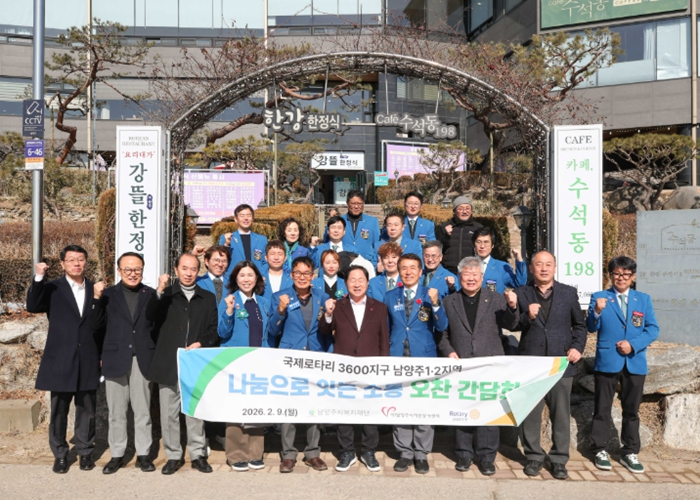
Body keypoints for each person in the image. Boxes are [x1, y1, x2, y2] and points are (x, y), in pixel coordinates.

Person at [438, 257, 518, 475]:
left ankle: (487, 456)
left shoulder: (496, 299)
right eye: (467, 274)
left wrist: (512, 307)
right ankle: (463, 454)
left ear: (482, 277)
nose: (471, 278)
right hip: (461, 365)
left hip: (490, 365)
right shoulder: (449, 302)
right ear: (459, 277)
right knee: (462, 410)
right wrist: (449, 351)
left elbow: (511, 324)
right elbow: (442, 334)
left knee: (489, 411)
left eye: (475, 274)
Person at [26, 245, 100, 474]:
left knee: (87, 410)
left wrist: (102, 356)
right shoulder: (52, 288)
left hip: (88, 357)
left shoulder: (96, 289)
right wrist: (39, 277)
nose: (76, 263)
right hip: (60, 358)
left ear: (86, 262)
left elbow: (101, 324)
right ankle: (60, 454)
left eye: (81, 259)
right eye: (71, 260)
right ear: (62, 264)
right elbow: (32, 305)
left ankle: (85, 452)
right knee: (59, 410)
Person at [514, 251, 586, 480]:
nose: (544, 268)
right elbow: (512, 324)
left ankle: (559, 459)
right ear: (531, 268)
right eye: (539, 264)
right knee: (530, 413)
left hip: (560, 363)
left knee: (561, 414)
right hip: (532, 364)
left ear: (554, 267)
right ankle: (534, 456)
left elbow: (580, 325)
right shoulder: (521, 292)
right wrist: (527, 316)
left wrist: (577, 347)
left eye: (548, 264)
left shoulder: (568, 293)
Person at [145, 253, 219, 475]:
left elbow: (214, 329)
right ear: (176, 270)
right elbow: (150, 317)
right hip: (169, 362)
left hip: (195, 362)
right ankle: (173, 455)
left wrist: (201, 343)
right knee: (169, 413)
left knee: (194, 411)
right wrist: (159, 291)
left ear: (198, 271)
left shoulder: (207, 298)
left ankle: (197, 454)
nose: (188, 273)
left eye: (193, 269)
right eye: (184, 268)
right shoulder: (166, 295)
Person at [587, 256, 659, 474]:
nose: (621, 278)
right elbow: (590, 326)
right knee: (602, 408)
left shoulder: (643, 299)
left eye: (626, 275)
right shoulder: (600, 297)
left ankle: (630, 451)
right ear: (611, 275)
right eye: (617, 274)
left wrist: (633, 345)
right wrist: (596, 311)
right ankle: (599, 449)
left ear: (633, 277)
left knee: (632, 410)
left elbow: (652, 329)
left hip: (635, 362)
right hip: (607, 361)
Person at [89, 252, 156, 474]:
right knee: (116, 411)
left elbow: (156, 328)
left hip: (142, 359)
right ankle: (117, 454)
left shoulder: (151, 295)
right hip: (114, 358)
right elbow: (95, 326)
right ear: (119, 271)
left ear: (143, 270)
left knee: (142, 410)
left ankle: (144, 454)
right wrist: (96, 299)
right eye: (127, 269)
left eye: (137, 269)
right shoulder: (107, 295)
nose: (132, 273)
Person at [319, 265, 389, 473]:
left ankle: (369, 451)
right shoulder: (338, 306)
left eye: (361, 280)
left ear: (368, 283)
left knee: (370, 412)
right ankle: (347, 451)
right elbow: (324, 330)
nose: (357, 284)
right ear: (346, 283)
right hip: (344, 367)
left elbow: (383, 340)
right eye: (352, 280)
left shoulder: (379, 307)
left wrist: (384, 367)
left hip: (371, 368)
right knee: (345, 410)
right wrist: (328, 314)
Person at [267, 256, 332, 473]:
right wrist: (281, 310)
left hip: (315, 358)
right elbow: (272, 330)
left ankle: (312, 452)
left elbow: (328, 329)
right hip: (290, 359)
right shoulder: (280, 296)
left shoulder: (322, 296)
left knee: (313, 406)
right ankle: (288, 454)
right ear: (291, 274)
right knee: (289, 406)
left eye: (306, 273)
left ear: (313, 276)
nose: (302, 277)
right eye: (298, 273)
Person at [386, 253, 448, 474]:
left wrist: (436, 304)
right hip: (398, 358)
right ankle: (404, 452)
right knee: (401, 406)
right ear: (399, 271)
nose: (408, 272)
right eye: (404, 268)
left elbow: (442, 326)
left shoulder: (430, 294)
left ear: (421, 272)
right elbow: (386, 327)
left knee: (423, 406)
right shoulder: (390, 296)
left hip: (423, 358)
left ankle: (421, 453)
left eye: (413, 268)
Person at [217, 261, 272, 472]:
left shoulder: (264, 303)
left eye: (250, 275)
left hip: (259, 362)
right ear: (235, 279)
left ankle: (255, 453)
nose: (246, 279)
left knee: (256, 407)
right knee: (235, 407)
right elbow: (222, 332)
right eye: (242, 275)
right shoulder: (229, 300)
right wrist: (229, 311)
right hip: (236, 362)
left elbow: (267, 333)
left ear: (257, 279)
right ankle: (236, 454)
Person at [327, 190, 380, 265]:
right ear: (347, 204)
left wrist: (375, 264)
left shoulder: (372, 222)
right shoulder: (340, 222)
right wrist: (331, 222)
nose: (356, 206)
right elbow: (328, 241)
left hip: (367, 264)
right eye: (353, 203)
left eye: (359, 203)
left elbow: (377, 245)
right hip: (344, 265)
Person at [436, 196, 483, 274]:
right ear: (454, 211)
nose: (464, 211)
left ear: (471, 210)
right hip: (448, 270)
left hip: (470, 270)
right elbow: (438, 248)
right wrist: (447, 236)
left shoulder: (478, 228)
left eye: (467, 208)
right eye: (460, 209)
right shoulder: (445, 227)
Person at [219, 204, 269, 277]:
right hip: (233, 279)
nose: (246, 218)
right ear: (236, 219)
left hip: (256, 279)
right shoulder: (227, 238)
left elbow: (265, 261)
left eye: (248, 215)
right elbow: (221, 259)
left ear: (252, 219)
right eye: (242, 216)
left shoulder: (262, 239)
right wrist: (226, 245)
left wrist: (261, 275)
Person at [472, 227, 526, 293]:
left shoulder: (501, 267)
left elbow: (520, 284)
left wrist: (519, 261)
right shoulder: (466, 265)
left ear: (492, 245)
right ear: (474, 245)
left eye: (486, 242)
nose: (482, 246)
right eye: (478, 242)